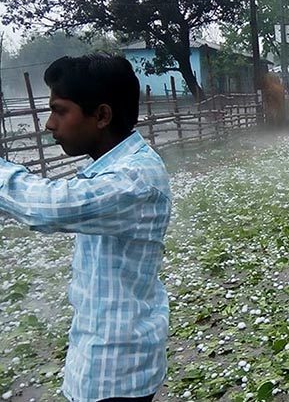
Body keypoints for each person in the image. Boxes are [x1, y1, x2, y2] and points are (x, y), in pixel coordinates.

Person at [0, 53, 171, 402]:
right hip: (103, 357)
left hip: (114, 371)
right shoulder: (117, 168)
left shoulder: (134, 178)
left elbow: (49, 207)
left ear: (102, 116)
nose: (49, 124)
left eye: (60, 110)